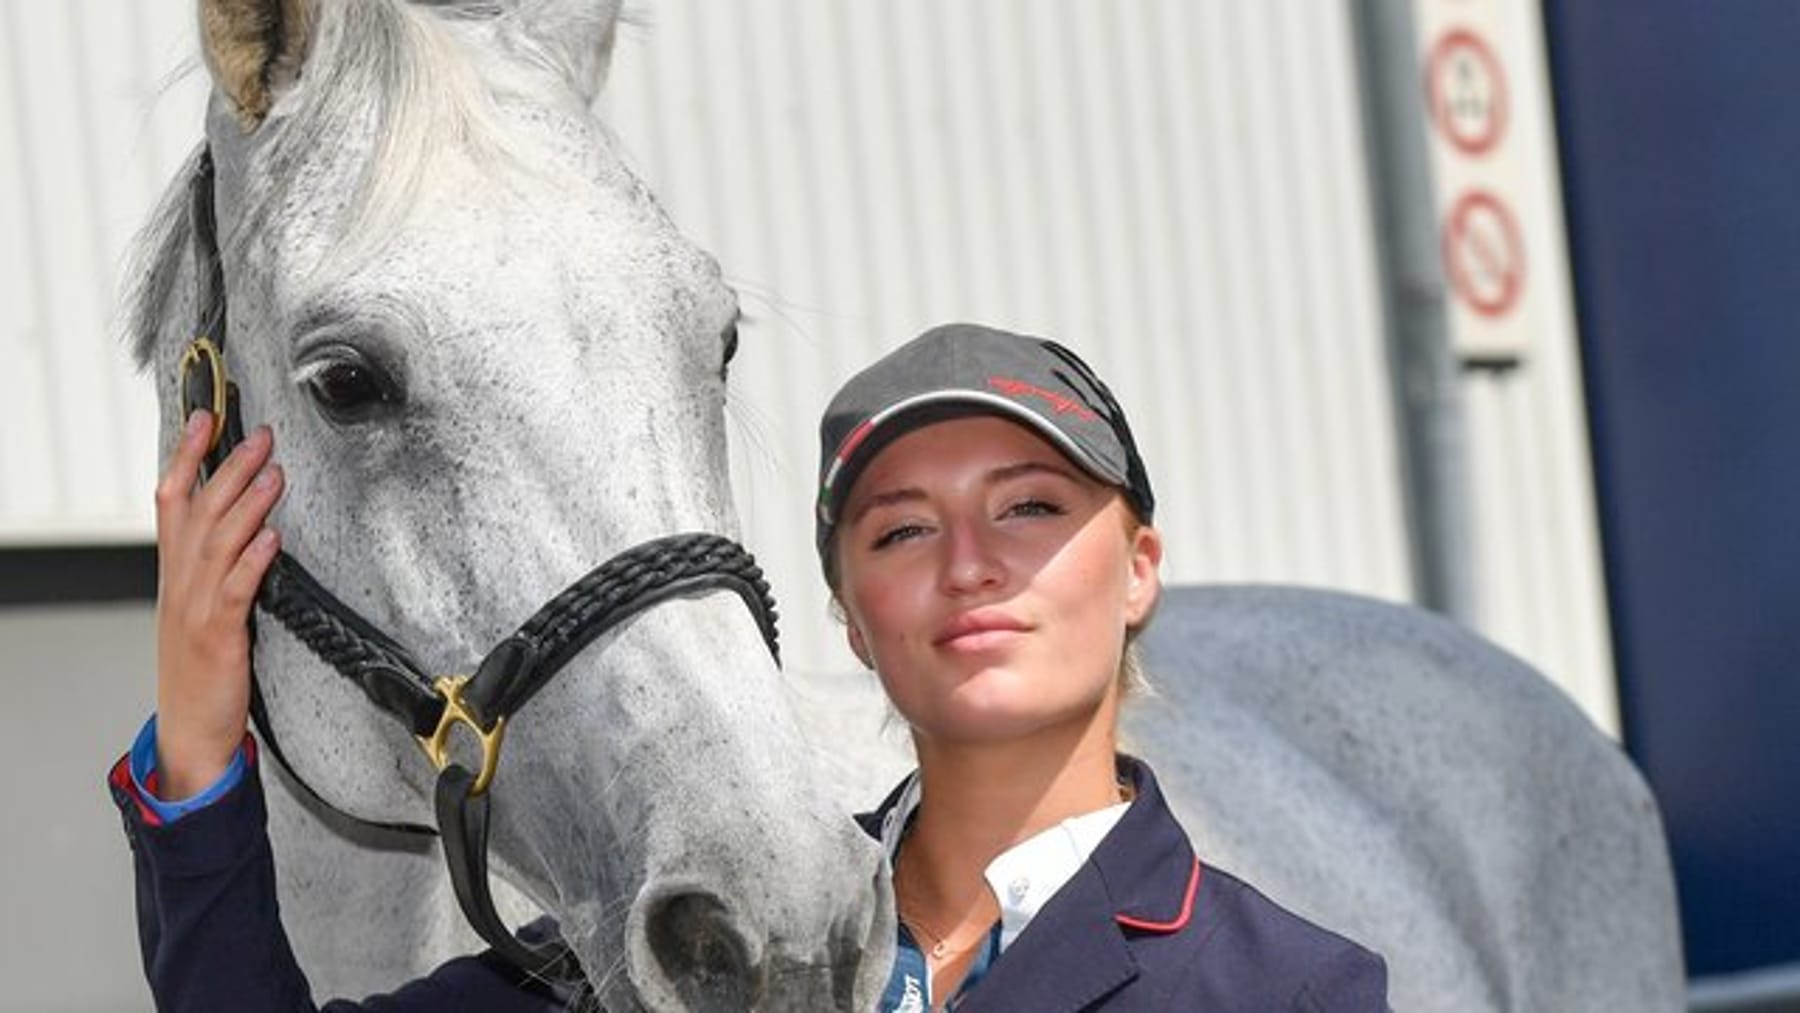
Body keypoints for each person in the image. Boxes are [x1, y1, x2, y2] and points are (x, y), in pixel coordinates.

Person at [109, 321, 1388, 1011]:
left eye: (1031, 508)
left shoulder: (1294, 990)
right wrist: (198, 741)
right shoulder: (698, 940)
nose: (970, 561)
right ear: (847, 613)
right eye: (900, 529)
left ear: (1142, 565)